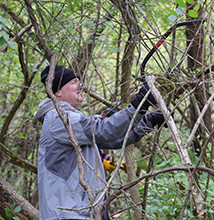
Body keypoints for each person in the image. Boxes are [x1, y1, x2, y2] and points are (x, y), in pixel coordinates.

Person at [35, 65, 169, 220]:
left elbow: (116, 139)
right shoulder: (57, 118)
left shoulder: (71, 120)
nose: (80, 85)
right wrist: (139, 104)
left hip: (83, 213)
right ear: (57, 92)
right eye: (73, 82)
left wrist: (149, 121)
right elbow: (104, 130)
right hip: (67, 214)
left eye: (79, 81)